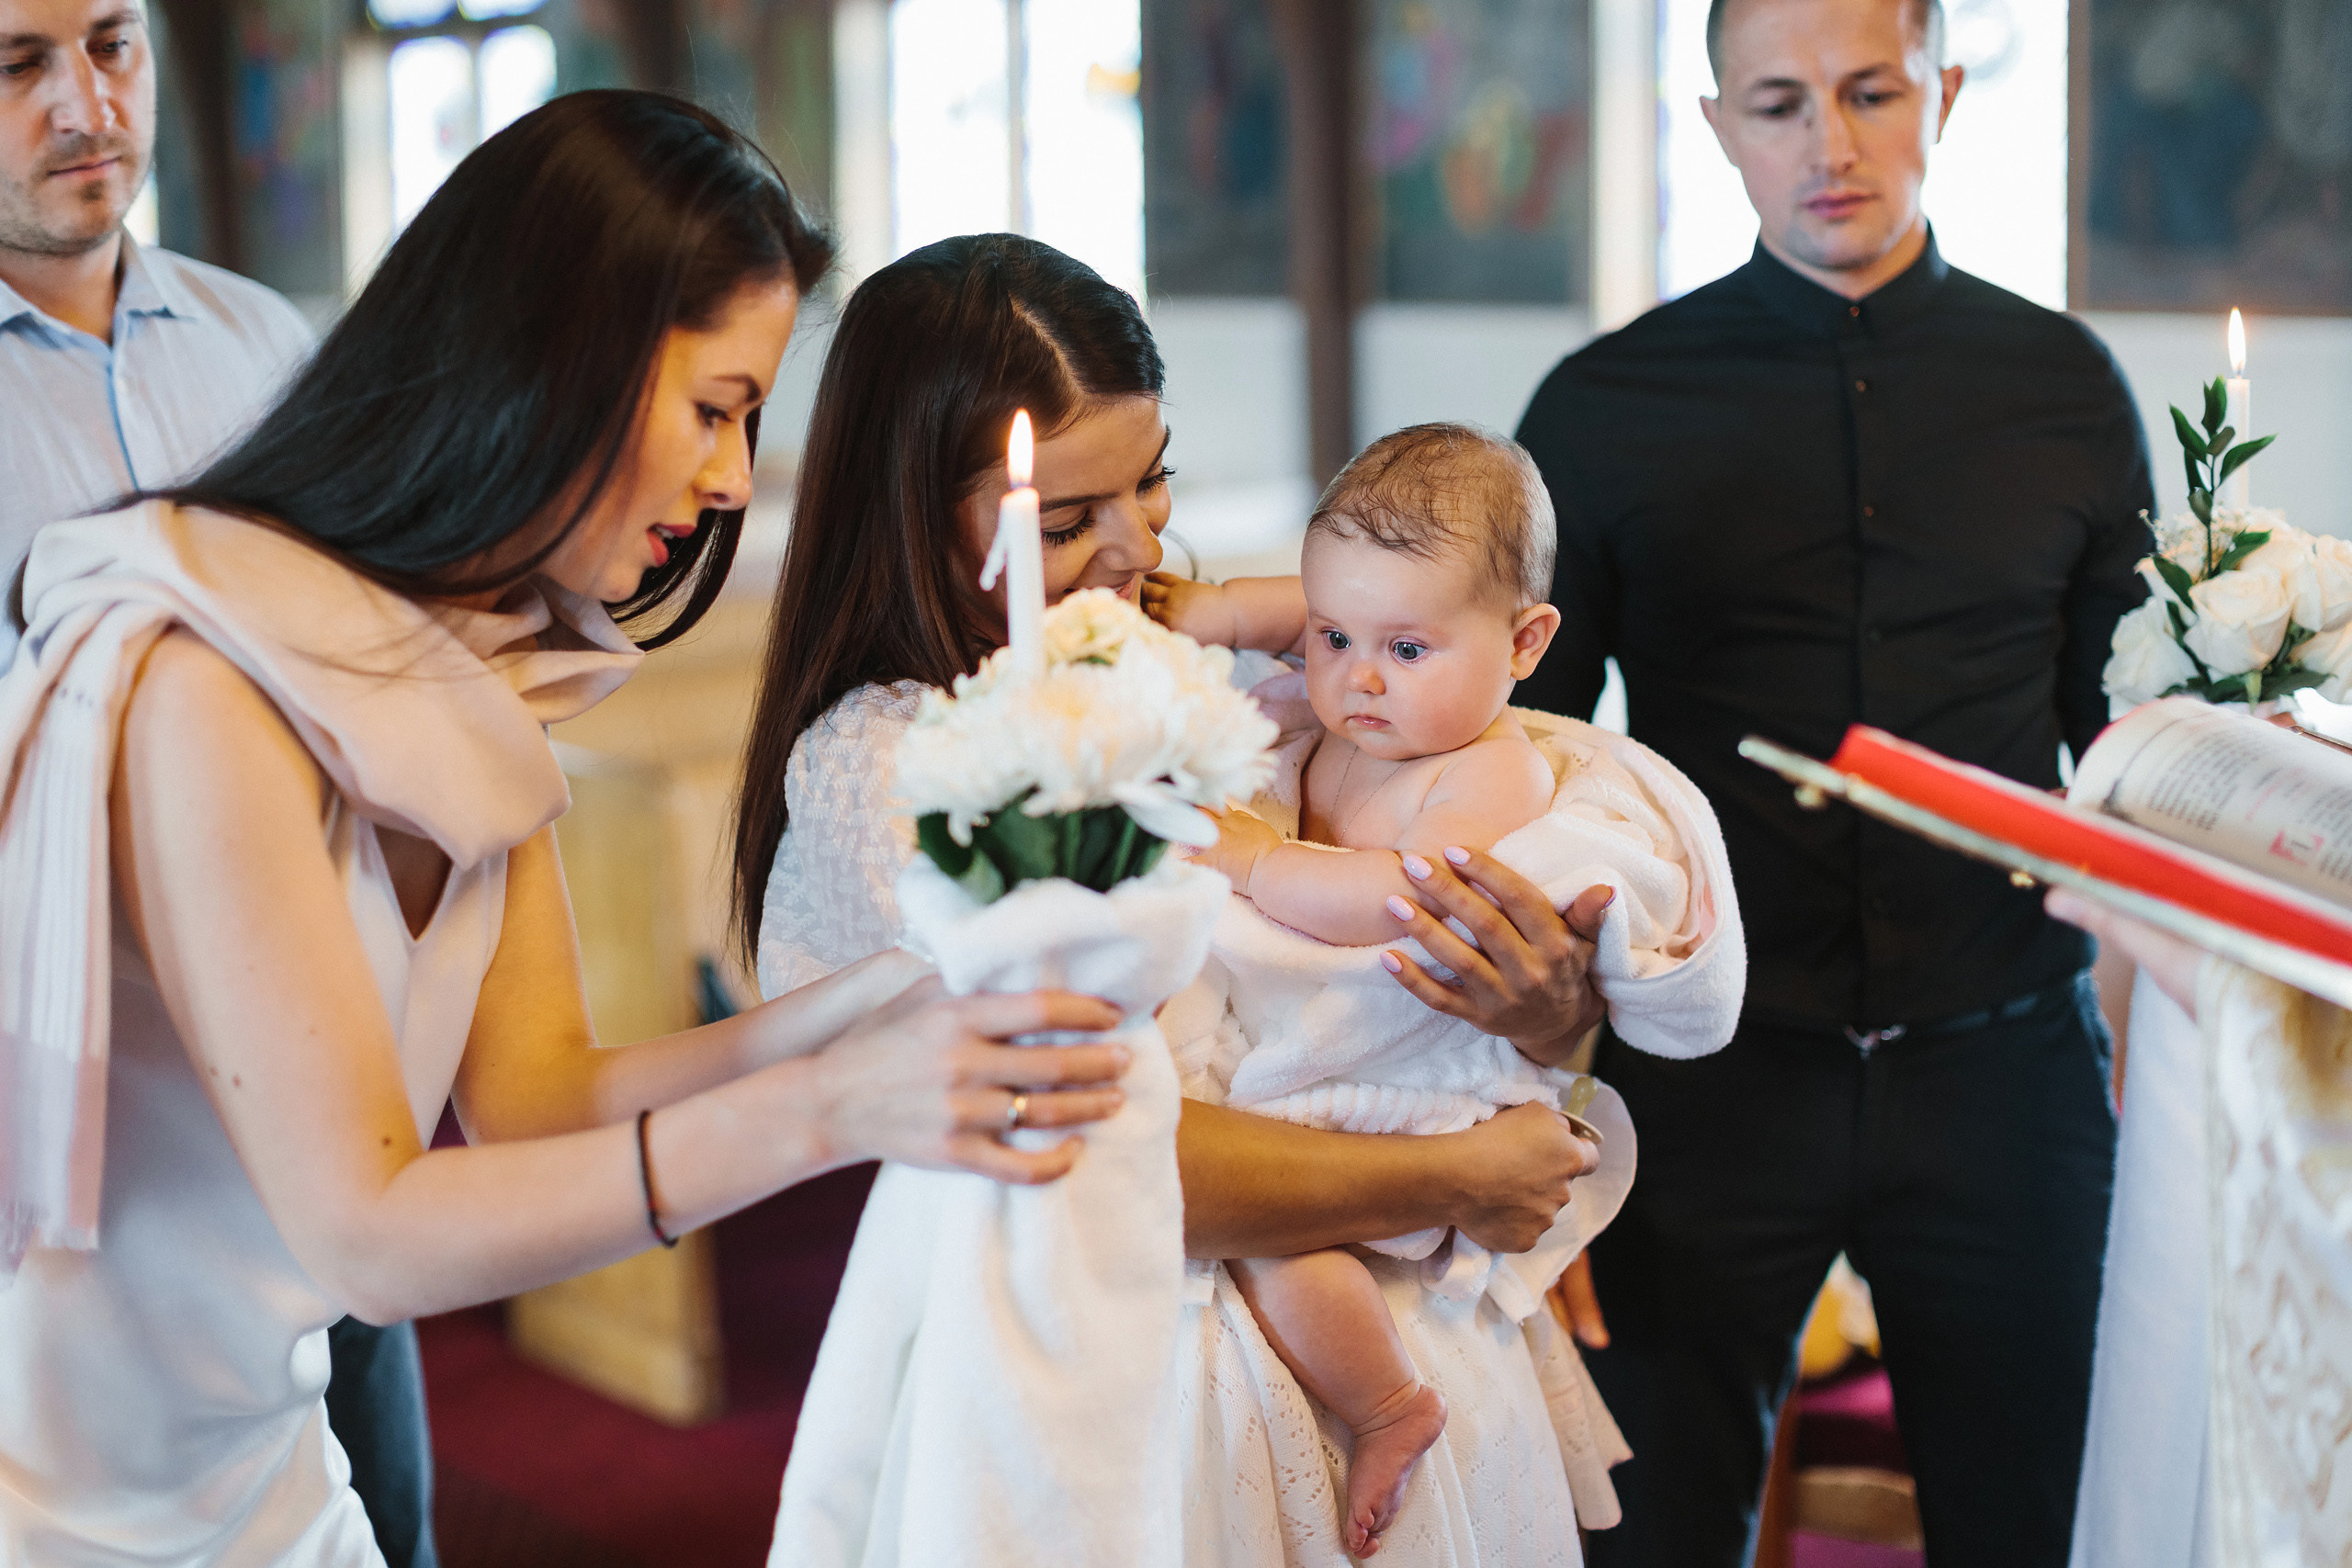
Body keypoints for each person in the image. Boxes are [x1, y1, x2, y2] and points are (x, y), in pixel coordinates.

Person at [0, 91, 1134, 1568]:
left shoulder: (470, 660)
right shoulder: (207, 681)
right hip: (59, 1500)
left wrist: (890, 1001)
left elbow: (539, 1096)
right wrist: (834, 1108)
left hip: (264, 1461)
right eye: (717, 407)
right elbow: (371, 1232)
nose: (733, 477)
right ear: (564, 353)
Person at [736, 234, 1648, 1568]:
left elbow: (1420, 894)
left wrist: (1542, 1007)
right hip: (1126, 1353)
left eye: (1152, 482)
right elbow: (1103, 1142)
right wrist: (1451, 1173)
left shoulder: (1175, 657)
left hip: (1388, 1300)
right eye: (1065, 519)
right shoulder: (900, 767)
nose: (1129, 550)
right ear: (915, 508)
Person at [1512, 0, 2154, 1560]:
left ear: (1943, 89)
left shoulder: (2066, 386)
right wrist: (1525, 1087)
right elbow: (1520, 765)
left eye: (1873, 91)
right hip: (1705, 1069)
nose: (1833, 143)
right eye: (1781, 103)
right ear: (1719, 120)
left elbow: (2117, 747)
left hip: (2002, 1061)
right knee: (1645, 1529)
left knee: (2044, 1525)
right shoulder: (1602, 409)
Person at [0, 5, 445, 1557]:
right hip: (71, 1084)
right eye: (17, 65)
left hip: (308, 1034)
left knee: (373, 1496)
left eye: (111, 42)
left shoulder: (267, 345)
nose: (85, 102)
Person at [1148, 421, 1743, 1556]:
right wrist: (1219, 613)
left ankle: (1387, 1405)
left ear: (1525, 644)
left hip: (1405, 1090)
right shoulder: (1334, 710)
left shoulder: (1490, 768)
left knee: (1276, 1239)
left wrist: (1247, 858)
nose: (1357, 679)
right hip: (1300, 1065)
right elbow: (1333, 605)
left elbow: (1395, 900)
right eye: (1330, 637)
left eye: (1405, 651)